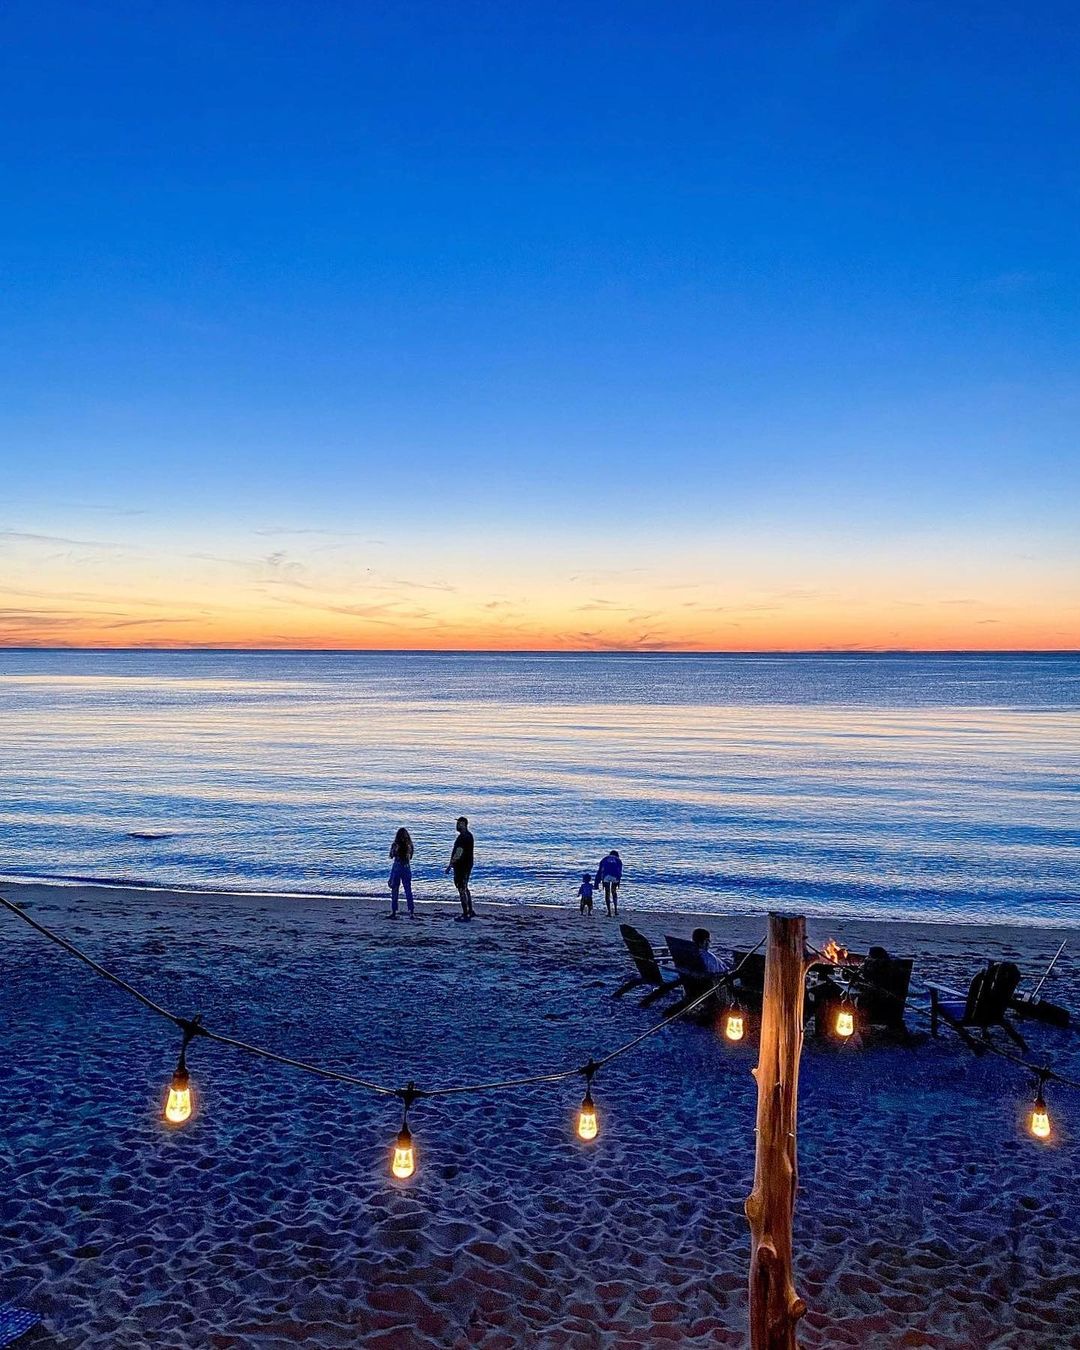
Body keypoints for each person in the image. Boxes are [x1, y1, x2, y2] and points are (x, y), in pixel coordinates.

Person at [445, 816, 476, 920]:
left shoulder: (463, 837)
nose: (457, 825)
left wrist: (450, 865)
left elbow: (459, 852)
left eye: (459, 823)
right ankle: (470, 910)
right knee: (465, 887)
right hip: (467, 865)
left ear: (463, 824)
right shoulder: (469, 835)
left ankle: (465, 913)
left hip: (462, 866)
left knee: (461, 888)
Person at [386, 827, 415, 919]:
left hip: (397, 867)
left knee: (395, 890)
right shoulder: (409, 845)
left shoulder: (395, 844)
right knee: (408, 890)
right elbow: (410, 857)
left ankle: (394, 911)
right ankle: (411, 912)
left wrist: (395, 850)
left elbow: (391, 855)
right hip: (406, 867)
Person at [594, 849, 623, 916]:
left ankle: (609, 912)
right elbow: (619, 872)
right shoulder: (618, 860)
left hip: (606, 875)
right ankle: (615, 910)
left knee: (607, 893)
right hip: (615, 876)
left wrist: (596, 883)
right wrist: (618, 882)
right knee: (614, 891)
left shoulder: (604, 859)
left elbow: (599, 871)